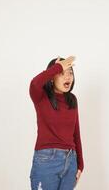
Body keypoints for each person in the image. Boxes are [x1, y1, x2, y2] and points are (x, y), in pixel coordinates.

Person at [28, 56, 84, 190]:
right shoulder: (40, 96)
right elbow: (34, 83)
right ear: (52, 76)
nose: (68, 77)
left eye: (70, 72)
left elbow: (75, 133)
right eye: (62, 73)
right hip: (47, 162)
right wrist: (57, 67)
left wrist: (80, 164)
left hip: (71, 162)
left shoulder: (72, 100)